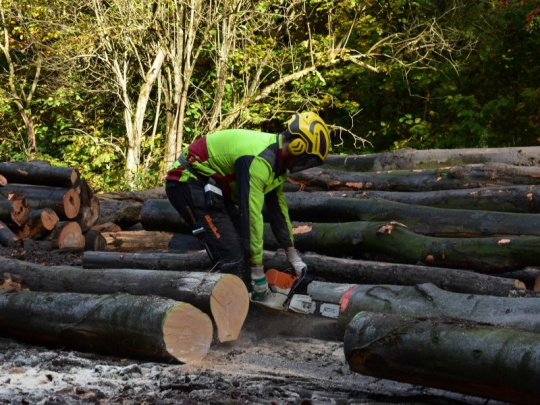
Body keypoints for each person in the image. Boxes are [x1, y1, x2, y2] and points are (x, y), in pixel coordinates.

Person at [165, 111, 330, 304]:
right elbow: (251, 215)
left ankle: (244, 299)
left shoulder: (277, 166)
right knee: (231, 253)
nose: (303, 163)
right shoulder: (260, 160)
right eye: (305, 158)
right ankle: (236, 316)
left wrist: (293, 255)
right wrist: (258, 272)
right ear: (297, 146)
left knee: (242, 244)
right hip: (187, 182)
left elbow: (278, 211)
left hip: (212, 188)